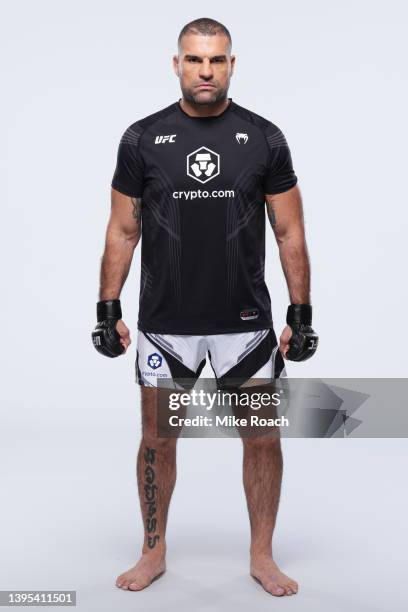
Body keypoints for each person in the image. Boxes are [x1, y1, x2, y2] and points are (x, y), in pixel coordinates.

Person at [92, 17, 318, 597]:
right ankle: (153, 550)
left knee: (263, 439)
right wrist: (106, 307)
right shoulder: (141, 139)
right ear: (177, 64)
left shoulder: (263, 138)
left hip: (245, 325)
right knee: (157, 439)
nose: (205, 71)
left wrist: (301, 313)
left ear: (232, 65)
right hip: (166, 325)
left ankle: (262, 556)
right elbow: (123, 230)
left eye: (216, 60)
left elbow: (289, 231)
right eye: (195, 60)